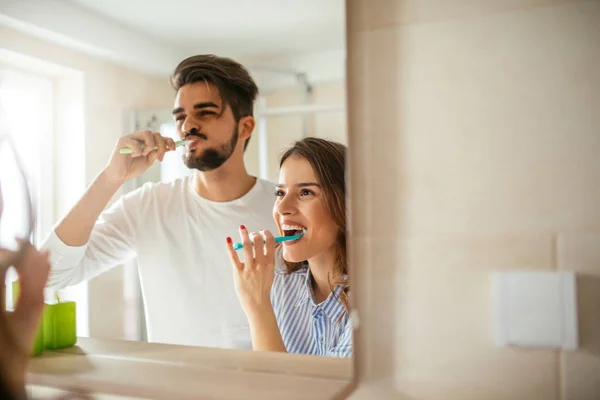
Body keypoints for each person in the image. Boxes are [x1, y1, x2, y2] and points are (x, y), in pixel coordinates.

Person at [40, 55, 278, 349]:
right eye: (180, 116)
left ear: (245, 127)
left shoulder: (285, 210)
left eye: (204, 113)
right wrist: (110, 179)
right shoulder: (147, 207)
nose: (186, 125)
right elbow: (51, 275)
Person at [226, 137, 352, 357]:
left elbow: (292, 390)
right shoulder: (280, 285)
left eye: (305, 192)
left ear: (345, 205)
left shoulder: (375, 302)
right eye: (280, 193)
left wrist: (257, 306)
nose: (282, 208)